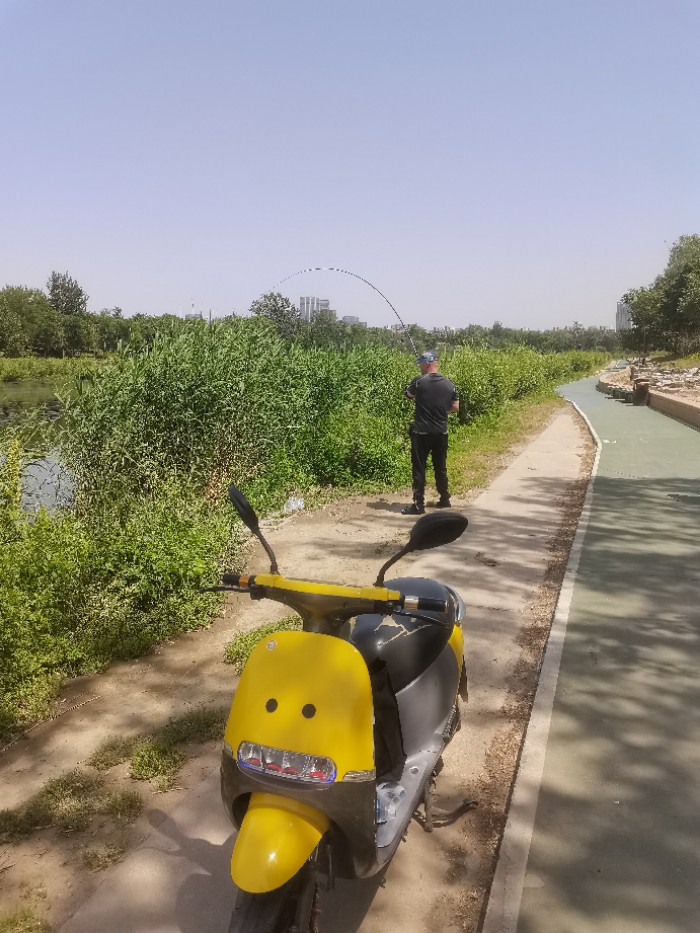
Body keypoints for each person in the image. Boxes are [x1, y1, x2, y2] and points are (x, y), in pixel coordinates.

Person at [402, 350, 459, 515]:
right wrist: (440, 412)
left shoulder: (419, 381)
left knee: (419, 468)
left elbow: (407, 395)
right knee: (440, 466)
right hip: (441, 432)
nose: (419, 366)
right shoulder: (449, 384)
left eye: (420, 363)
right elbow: (455, 407)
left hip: (421, 433)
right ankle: (445, 499)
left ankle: (418, 505)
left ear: (427, 363)